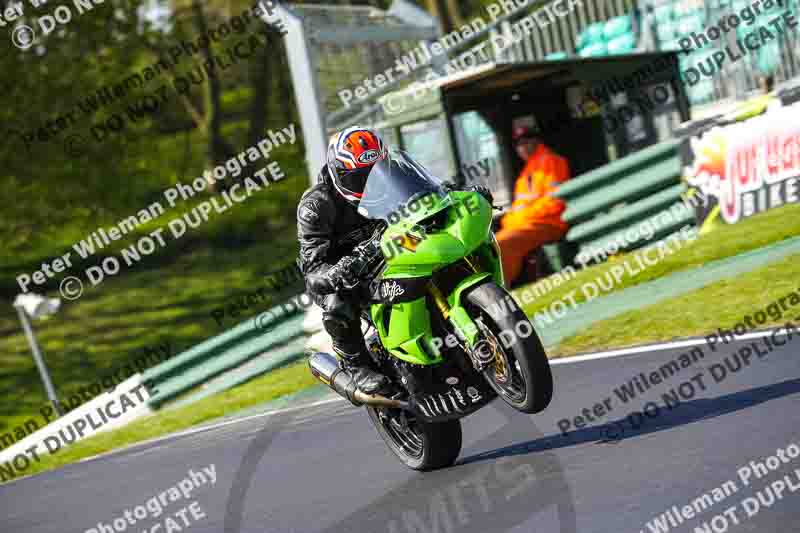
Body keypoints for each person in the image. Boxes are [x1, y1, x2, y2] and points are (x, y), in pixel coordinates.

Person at [296, 126, 492, 395]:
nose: (368, 182)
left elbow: (433, 194)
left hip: (396, 247)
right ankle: (356, 365)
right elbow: (312, 268)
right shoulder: (316, 205)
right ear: (339, 173)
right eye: (359, 177)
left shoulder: (397, 172)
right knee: (336, 300)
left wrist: (461, 196)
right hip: (350, 271)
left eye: (374, 172)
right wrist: (338, 272)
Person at [495, 124, 571, 286]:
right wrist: (514, 220)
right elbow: (518, 208)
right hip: (529, 225)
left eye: (526, 141)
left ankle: (503, 291)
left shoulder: (552, 161)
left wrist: (522, 217)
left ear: (536, 141)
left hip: (550, 224)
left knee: (501, 243)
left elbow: (555, 203)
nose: (522, 147)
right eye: (518, 144)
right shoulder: (526, 172)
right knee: (493, 244)